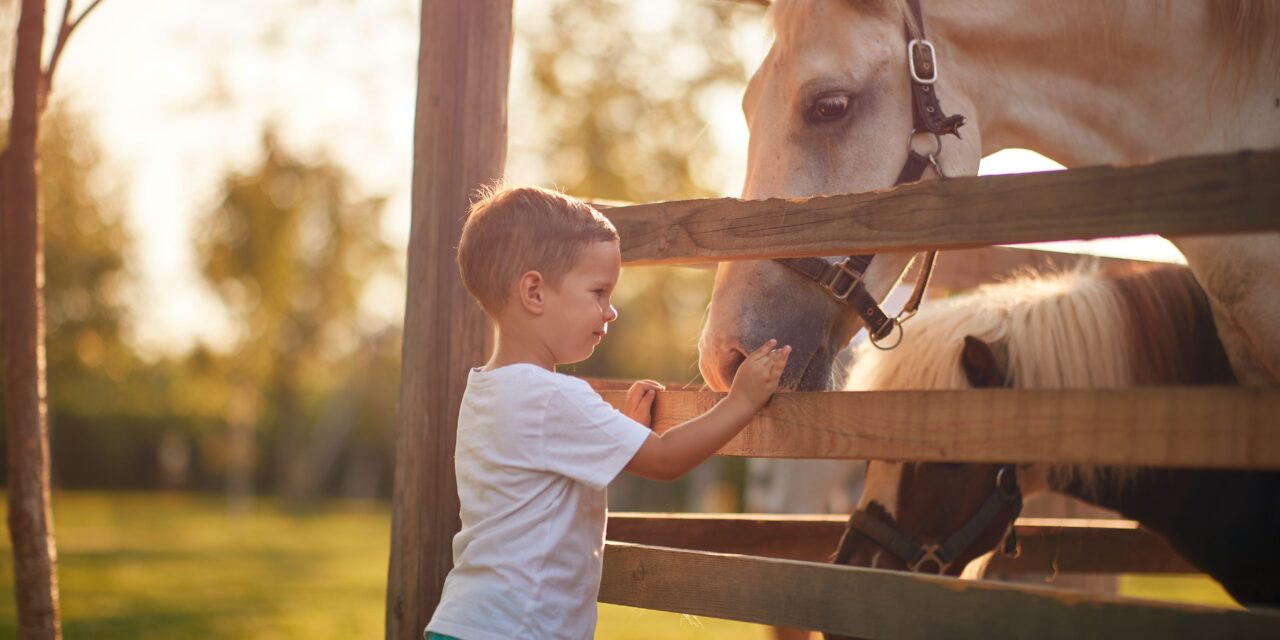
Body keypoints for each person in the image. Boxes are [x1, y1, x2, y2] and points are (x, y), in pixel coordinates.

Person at [424, 185, 791, 640]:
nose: (611, 311)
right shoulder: (553, 396)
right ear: (534, 292)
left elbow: (550, 480)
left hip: (470, 622)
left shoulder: (488, 389)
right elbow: (665, 459)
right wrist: (741, 400)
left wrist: (625, 432)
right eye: (598, 292)